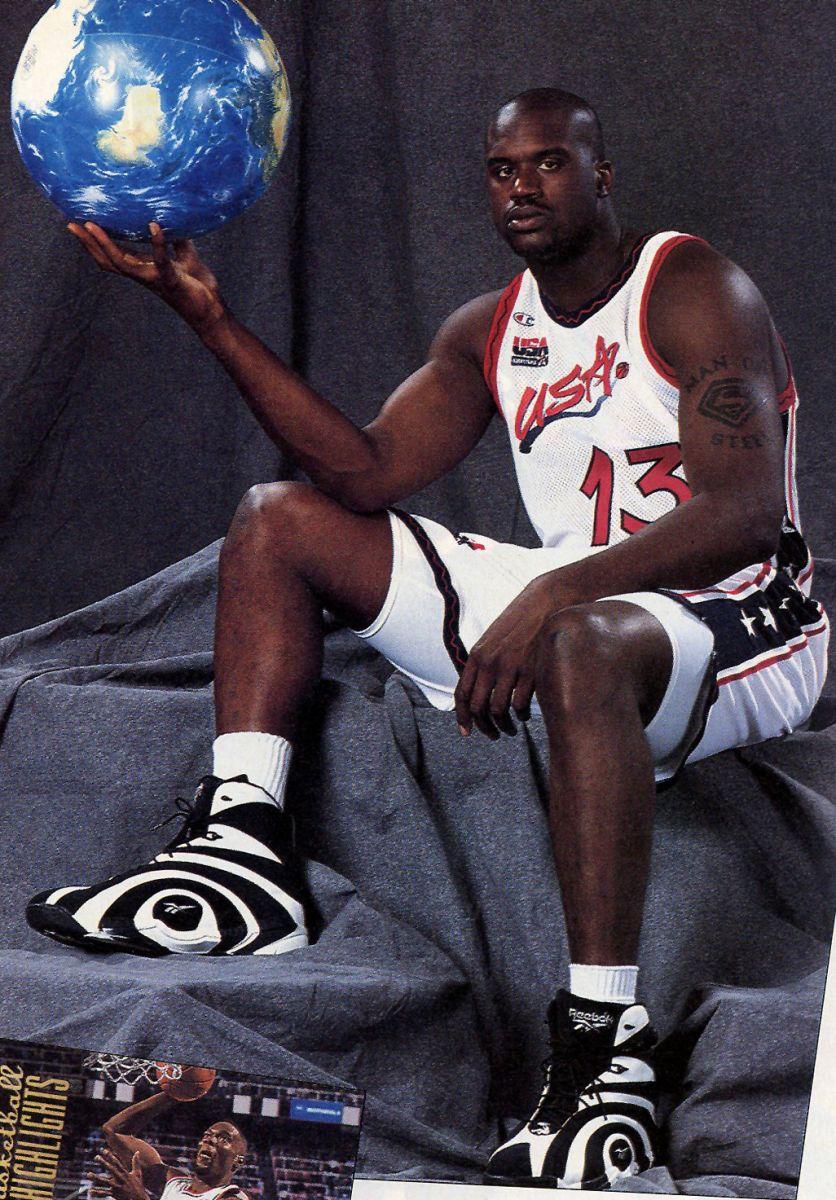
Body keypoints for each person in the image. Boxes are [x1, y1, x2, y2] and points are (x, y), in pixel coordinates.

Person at [26, 88, 828, 1189]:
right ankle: (244, 851)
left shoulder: (689, 287)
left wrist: (555, 601)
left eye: (549, 164)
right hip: (584, 602)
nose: (522, 188)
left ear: (601, 176)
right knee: (278, 520)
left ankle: (603, 1050)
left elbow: (744, 514)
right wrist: (210, 318)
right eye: (502, 171)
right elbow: (362, 472)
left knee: (579, 639)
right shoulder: (490, 330)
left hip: (742, 609)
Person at [92, 1090, 249, 1200]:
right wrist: (174, 1093)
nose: (209, 1140)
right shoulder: (174, 1182)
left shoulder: (232, 1197)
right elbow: (115, 1130)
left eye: (223, 1138)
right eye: (207, 1135)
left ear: (238, 1161)